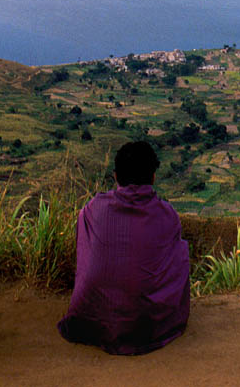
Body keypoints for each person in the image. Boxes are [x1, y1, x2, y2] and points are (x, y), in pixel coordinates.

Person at [58, 141, 190, 355]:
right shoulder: (167, 215)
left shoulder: (93, 210)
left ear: (116, 176)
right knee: (181, 251)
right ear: (153, 177)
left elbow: (85, 253)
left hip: (95, 320)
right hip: (148, 325)